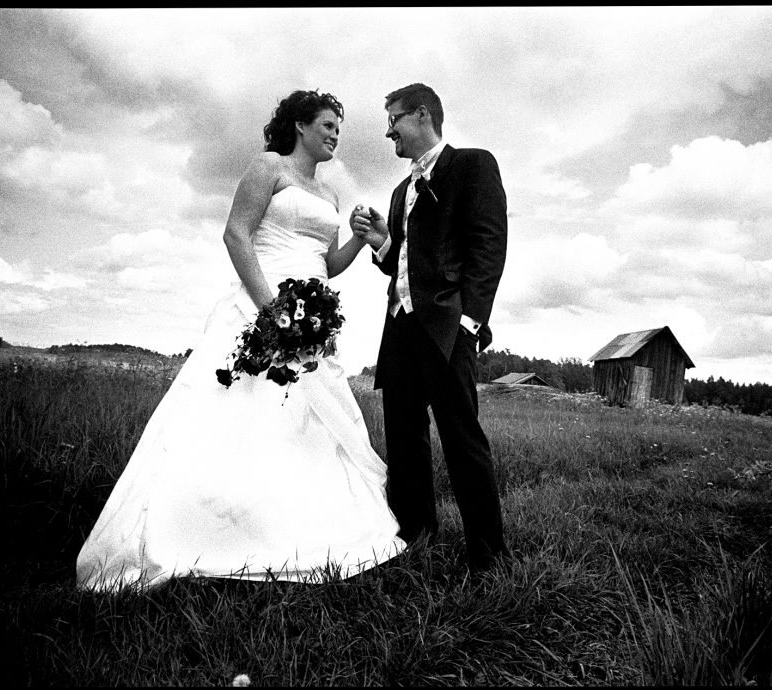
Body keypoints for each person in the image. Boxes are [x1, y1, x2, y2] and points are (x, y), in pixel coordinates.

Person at [76, 90, 405, 591]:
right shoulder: (267, 168)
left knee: (306, 423)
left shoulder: (331, 195)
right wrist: (271, 311)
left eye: (339, 128)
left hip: (310, 321)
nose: (335, 135)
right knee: (244, 411)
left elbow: (328, 265)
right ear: (300, 126)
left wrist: (360, 237)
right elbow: (236, 235)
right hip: (260, 305)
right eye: (327, 125)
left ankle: (299, 523)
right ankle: (217, 529)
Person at [350, 83, 510, 573]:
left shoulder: (472, 165)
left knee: (461, 437)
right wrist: (382, 242)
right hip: (399, 329)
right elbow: (404, 262)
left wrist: (470, 319)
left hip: (447, 327)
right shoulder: (400, 191)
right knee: (403, 437)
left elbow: (488, 243)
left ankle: (489, 556)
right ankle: (417, 539)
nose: (388, 132)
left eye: (393, 120)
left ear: (422, 115)